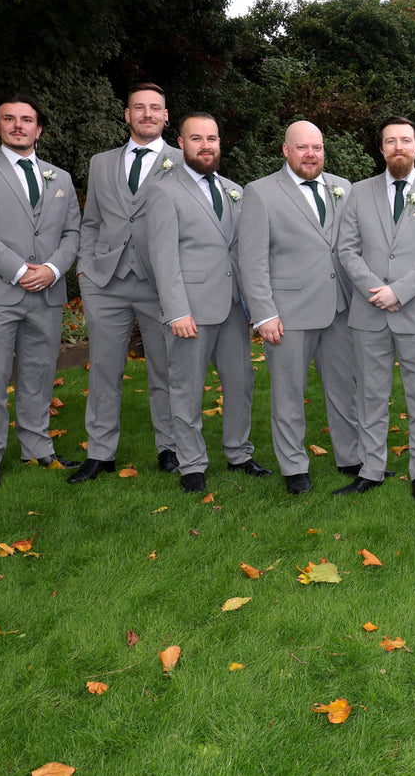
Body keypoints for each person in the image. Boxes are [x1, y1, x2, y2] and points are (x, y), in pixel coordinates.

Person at [0, 94, 83, 491]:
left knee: (40, 376)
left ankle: (38, 448)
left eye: (26, 120)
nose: (18, 125)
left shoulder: (59, 177)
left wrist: (54, 269)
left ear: (38, 128)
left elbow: (73, 232)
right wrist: (21, 270)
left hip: (47, 293)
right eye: (9, 119)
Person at [144, 113, 267, 493]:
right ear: (180, 143)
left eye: (212, 138)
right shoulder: (164, 190)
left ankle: (239, 452)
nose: (206, 145)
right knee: (186, 386)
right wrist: (176, 310)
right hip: (191, 310)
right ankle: (192, 463)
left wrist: (255, 306)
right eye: (196, 138)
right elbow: (162, 257)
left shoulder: (234, 189)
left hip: (232, 307)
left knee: (241, 383)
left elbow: (243, 251)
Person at [238, 120, 361, 495]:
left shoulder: (344, 188)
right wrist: (264, 314)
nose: (311, 154)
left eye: (318, 148)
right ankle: (294, 466)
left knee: (345, 388)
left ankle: (351, 457)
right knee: (288, 392)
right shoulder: (260, 193)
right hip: (287, 313)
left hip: (340, 307)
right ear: (285, 150)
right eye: (303, 147)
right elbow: (252, 259)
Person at [334, 116, 415, 501]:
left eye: (405, 140)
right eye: (390, 141)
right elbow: (347, 249)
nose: (398, 147)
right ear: (381, 149)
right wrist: (376, 290)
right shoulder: (358, 192)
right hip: (368, 312)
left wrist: (398, 292)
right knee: (370, 396)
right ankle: (370, 469)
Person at [68, 82, 178, 484]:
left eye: (155, 108)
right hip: (105, 281)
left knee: (166, 370)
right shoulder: (101, 163)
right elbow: (92, 221)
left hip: (160, 284)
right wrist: (85, 269)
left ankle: (171, 448)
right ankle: (100, 453)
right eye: (139, 108)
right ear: (126, 114)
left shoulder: (184, 162)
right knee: (104, 370)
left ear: (166, 116)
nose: (147, 114)